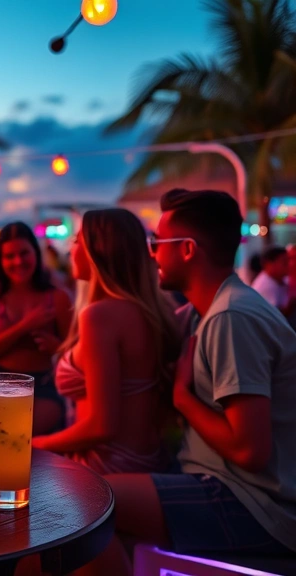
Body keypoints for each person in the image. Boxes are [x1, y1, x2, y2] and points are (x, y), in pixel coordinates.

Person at [85, 190, 296, 574]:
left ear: (186, 249)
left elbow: (250, 450)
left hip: (254, 503)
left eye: (157, 242)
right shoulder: (208, 311)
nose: (151, 254)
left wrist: (183, 398)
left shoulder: (232, 318)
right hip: (224, 484)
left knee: (85, 501)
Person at [32, 209, 181, 474]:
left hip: (105, 465)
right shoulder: (150, 311)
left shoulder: (99, 316)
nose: (71, 249)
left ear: (98, 251)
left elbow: (101, 426)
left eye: (77, 241)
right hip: (149, 459)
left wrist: (35, 444)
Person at [0, 222, 73, 434]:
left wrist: (57, 348)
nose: (18, 261)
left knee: (22, 435)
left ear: (36, 253)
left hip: (42, 386)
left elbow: (75, 354)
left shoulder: (57, 298)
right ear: (0, 260)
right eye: (9, 256)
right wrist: (24, 326)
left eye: (24, 253)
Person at [251, 246, 294, 317]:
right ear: (269, 264)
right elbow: (275, 315)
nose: (289, 264)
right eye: (284, 262)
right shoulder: (265, 285)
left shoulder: (282, 279)